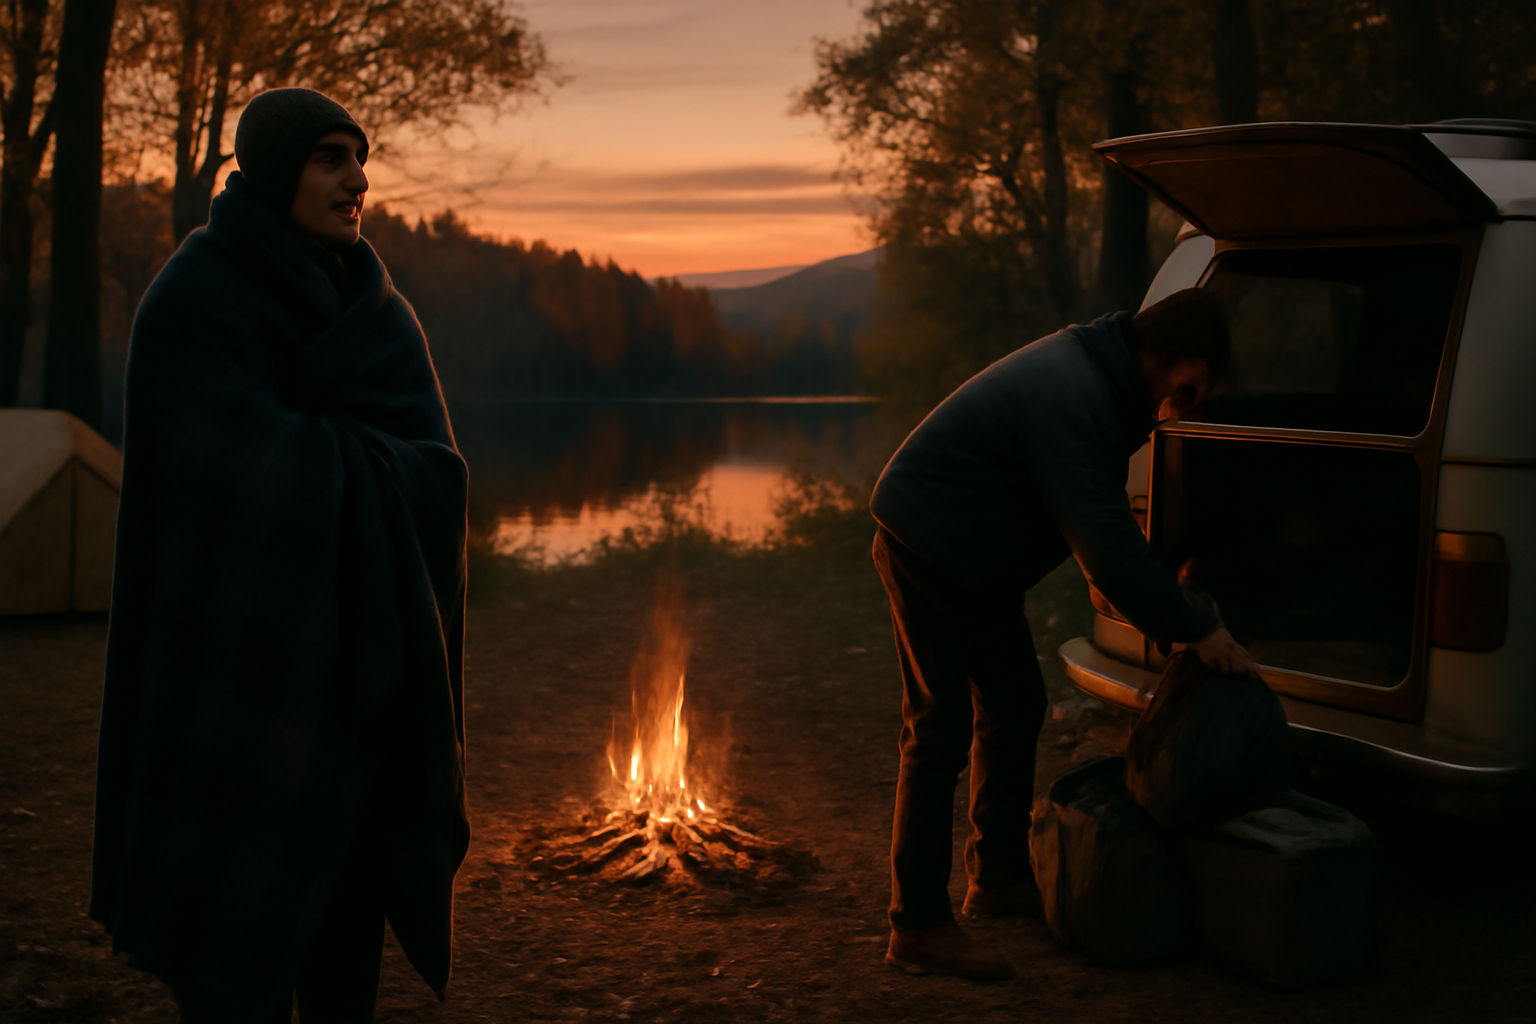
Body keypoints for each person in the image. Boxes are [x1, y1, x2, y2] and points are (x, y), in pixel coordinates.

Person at [90, 88, 471, 1021]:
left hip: (359, 686)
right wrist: (361, 463)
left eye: (359, 157)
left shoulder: (379, 310)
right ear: (271, 173)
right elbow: (216, 480)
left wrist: (356, 464)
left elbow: (438, 474)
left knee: (346, 958)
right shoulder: (196, 297)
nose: (357, 179)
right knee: (233, 961)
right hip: (238, 677)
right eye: (329, 158)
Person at [869, 289, 1256, 980]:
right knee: (939, 728)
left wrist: (1116, 572)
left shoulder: (1102, 380)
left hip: (977, 560)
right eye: (1192, 389)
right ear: (1178, 361)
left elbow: (1092, 510)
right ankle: (917, 924)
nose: (1187, 406)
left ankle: (998, 878)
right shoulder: (1076, 390)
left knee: (1015, 704)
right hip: (929, 544)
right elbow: (1104, 538)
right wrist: (1199, 626)